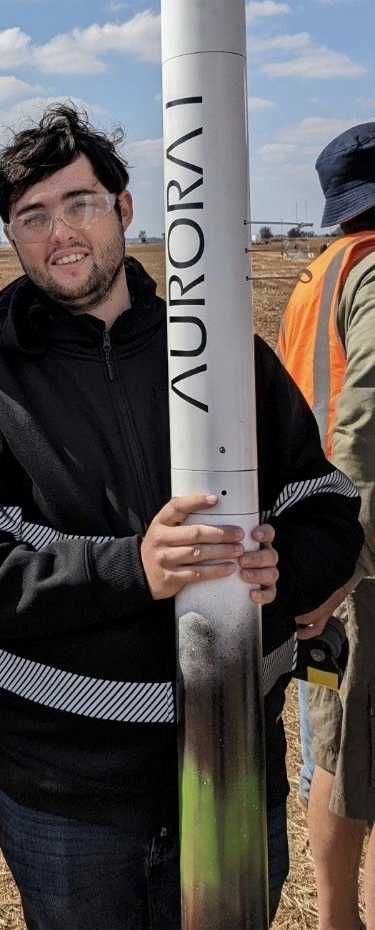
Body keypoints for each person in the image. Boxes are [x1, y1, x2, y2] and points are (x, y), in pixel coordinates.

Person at [0, 104, 364, 930]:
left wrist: (282, 564)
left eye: (80, 203)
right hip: (67, 801)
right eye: (34, 217)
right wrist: (134, 567)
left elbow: (328, 505)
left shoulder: (229, 356)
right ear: (12, 237)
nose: (62, 234)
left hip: (232, 775)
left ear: (125, 208)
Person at [278, 122, 375, 930]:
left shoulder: (317, 276)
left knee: (329, 755)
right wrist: (353, 555)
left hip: (324, 557)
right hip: (362, 570)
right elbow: (365, 422)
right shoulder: (374, 271)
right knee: (357, 770)